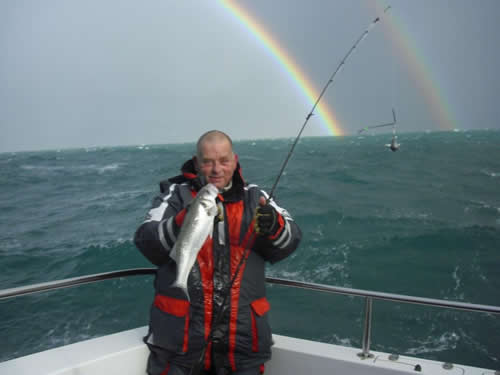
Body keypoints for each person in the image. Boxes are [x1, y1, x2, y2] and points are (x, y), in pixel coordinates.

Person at [134, 130, 302, 375]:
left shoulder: (256, 197)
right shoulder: (175, 194)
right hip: (179, 345)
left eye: (224, 161)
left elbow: (291, 239)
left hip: (243, 344)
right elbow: (146, 239)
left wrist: (274, 226)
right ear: (196, 162)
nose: (216, 169)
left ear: (234, 160)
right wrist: (184, 220)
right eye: (208, 162)